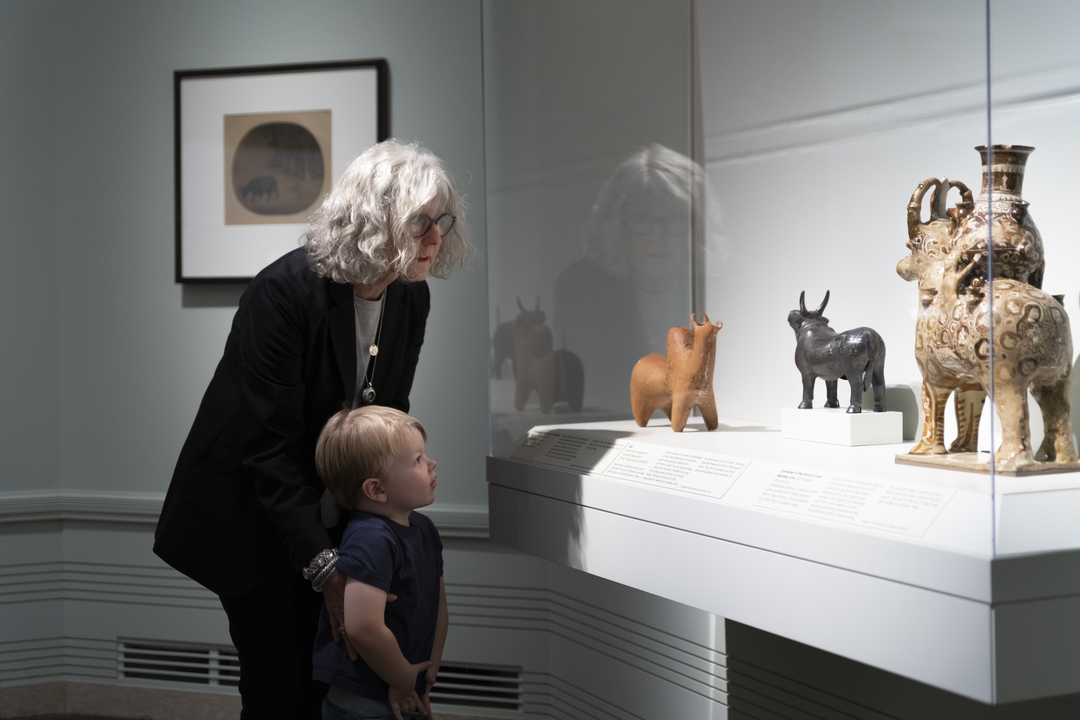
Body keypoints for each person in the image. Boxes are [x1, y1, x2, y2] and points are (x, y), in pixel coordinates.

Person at [154, 140, 467, 719]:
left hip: (333, 517)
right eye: (420, 221)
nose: (435, 237)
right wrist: (326, 568)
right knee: (280, 691)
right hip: (252, 517)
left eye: (441, 220)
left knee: (327, 691)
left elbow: (384, 421)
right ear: (375, 220)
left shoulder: (411, 298)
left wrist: (375, 533)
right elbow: (267, 448)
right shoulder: (282, 292)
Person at [312, 406, 447, 720]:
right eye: (417, 460)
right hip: (362, 702)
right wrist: (402, 678)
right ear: (376, 489)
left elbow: (437, 603)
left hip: (404, 687)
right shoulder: (371, 539)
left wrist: (429, 667)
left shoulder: (424, 528)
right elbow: (362, 626)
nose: (431, 463)